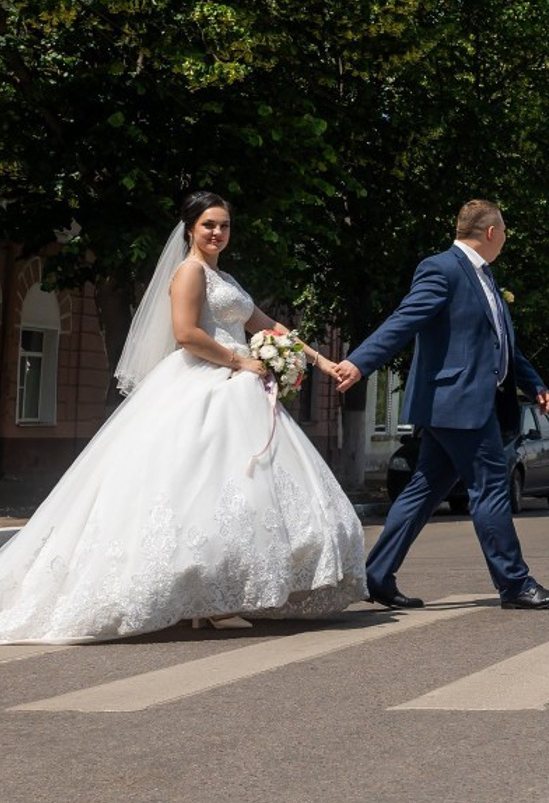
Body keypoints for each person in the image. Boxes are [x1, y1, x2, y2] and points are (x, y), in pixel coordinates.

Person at [0, 192, 368, 644]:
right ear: (190, 228)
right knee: (199, 482)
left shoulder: (223, 276)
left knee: (246, 486)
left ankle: (220, 595)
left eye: (225, 226)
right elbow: (187, 334)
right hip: (205, 380)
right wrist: (241, 363)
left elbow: (269, 325)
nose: (217, 233)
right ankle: (208, 599)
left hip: (240, 384)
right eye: (209, 224)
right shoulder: (190, 272)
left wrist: (322, 362)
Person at [334, 199, 549, 610]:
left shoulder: (486, 278)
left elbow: (500, 343)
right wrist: (359, 361)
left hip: (461, 405)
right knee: (491, 487)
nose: (506, 239)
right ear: (491, 232)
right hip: (459, 403)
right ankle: (514, 584)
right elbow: (404, 319)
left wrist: (532, 381)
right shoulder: (441, 269)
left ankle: (376, 576)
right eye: (505, 231)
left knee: (424, 490)